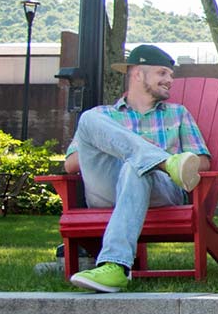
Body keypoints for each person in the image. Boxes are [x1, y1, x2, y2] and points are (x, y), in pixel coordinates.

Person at [64, 45, 208, 293]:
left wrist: (140, 157)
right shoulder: (103, 116)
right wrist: (131, 146)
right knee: (91, 121)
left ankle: (115, 266)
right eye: (162, 73)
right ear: (138, 74)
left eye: (171, 75)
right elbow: (71, 163)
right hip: (107, 188)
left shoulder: (178, 114)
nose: (169, 80)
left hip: (162, 190)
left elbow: (202, 162)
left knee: (137, 168)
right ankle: (162, 161)